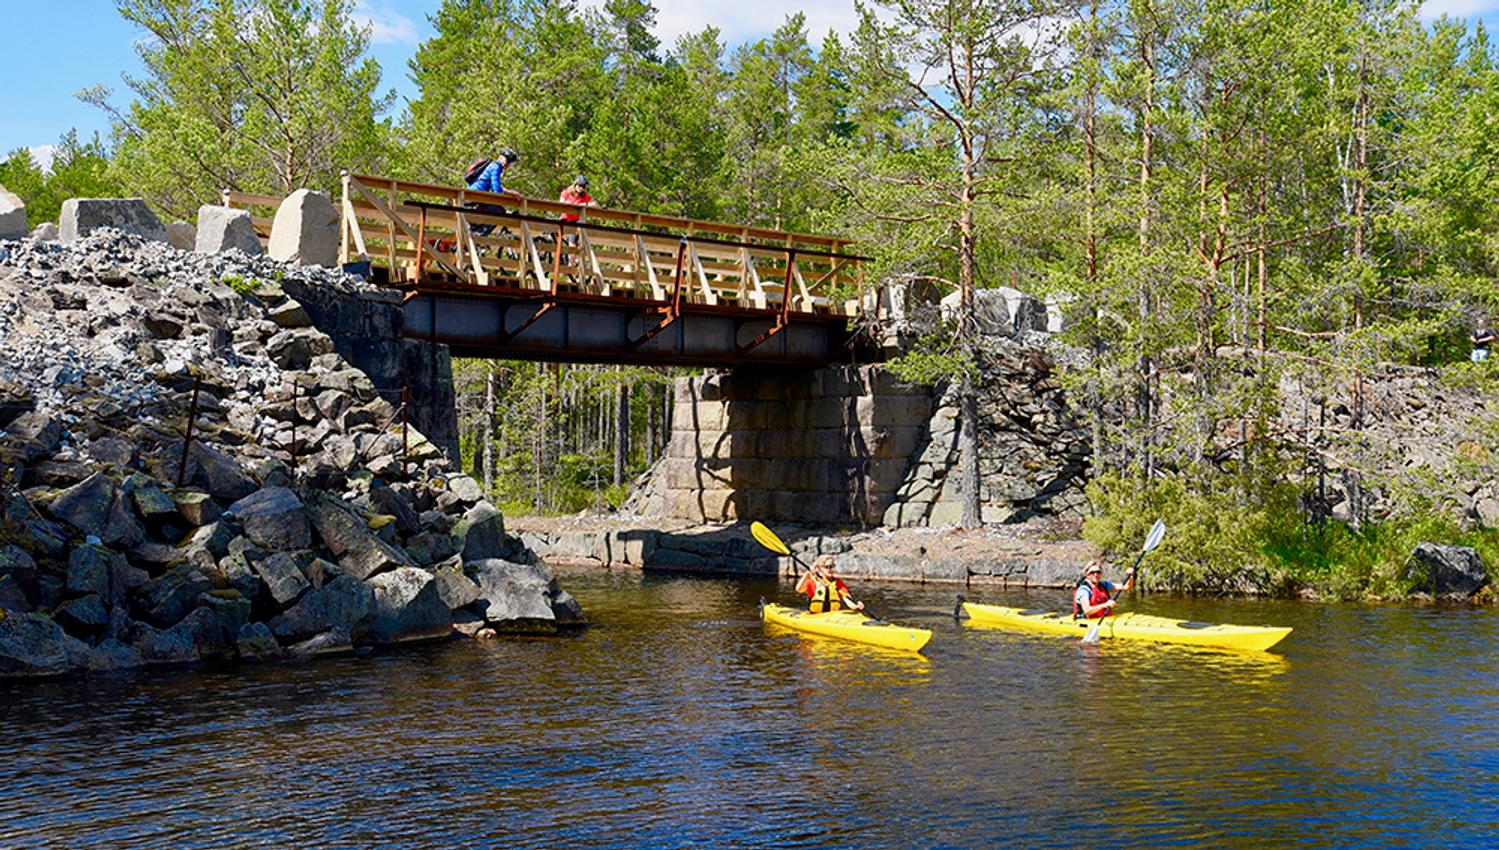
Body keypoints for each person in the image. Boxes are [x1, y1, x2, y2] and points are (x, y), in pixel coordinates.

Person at [466, 148, 519, 237]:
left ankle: (475, 229)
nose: (508, 164)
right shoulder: (496, 167)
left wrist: (511, 193)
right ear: (501, 157)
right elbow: (497, 190)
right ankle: (481, 235)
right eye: (508, 160)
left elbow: (496, 187)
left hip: (472, 196)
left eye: (510, 162)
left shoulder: (491, 166)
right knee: (500, 211)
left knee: (492, 210)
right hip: (475, 196)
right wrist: (512, 194)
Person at [796, 555, 865, 614]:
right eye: (826, 567)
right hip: (814, 617)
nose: (830, 569)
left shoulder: (838, 583)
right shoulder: (813, 582)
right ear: (819, 568)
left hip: (833, 617)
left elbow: (848, 600)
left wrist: (857, 606)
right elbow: (799, 589)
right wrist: (807, 574)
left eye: (832, 566)